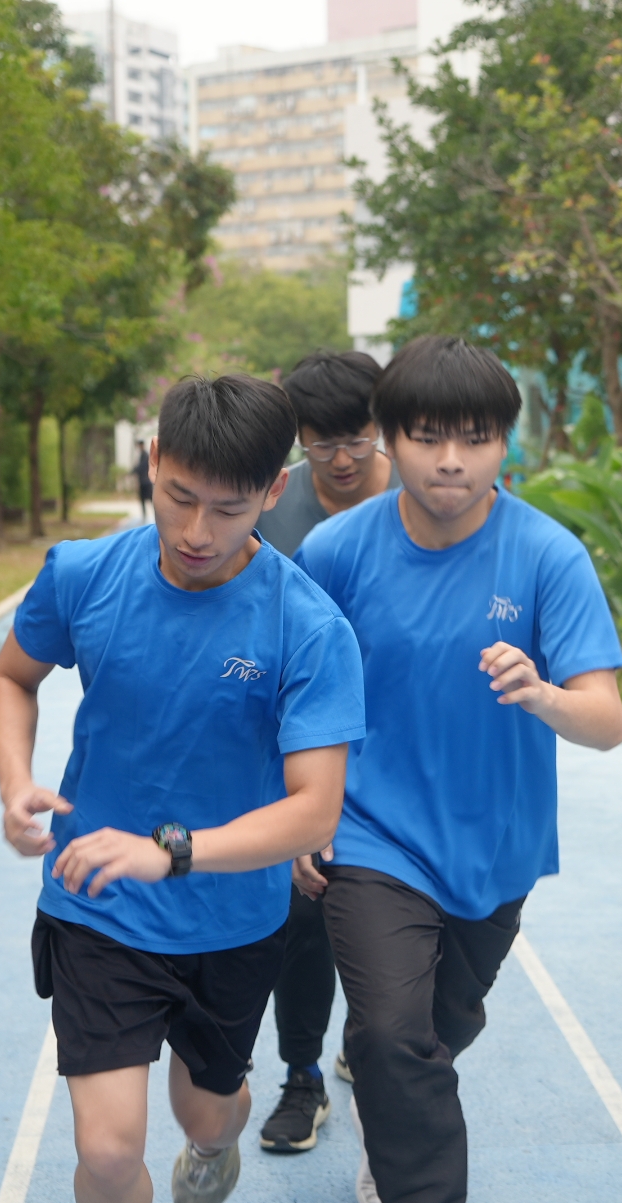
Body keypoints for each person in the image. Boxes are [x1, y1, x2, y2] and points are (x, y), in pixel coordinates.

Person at [0, 374, 366, 1203]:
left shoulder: (308, 626)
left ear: (273, 491)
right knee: (109, 1150)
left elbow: (316, 807)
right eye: (178, 496)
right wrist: (15, 781)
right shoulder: (82, 575)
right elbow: (12, 679)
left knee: (210, 1112)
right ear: (153, 462)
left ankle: (214, 1136)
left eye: (228, 510)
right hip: (96, 901)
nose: (197, 531)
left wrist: (174, 852)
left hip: (231, 918)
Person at [294, 335, 622, 1203]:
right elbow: (288, 694)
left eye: (475, 439)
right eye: (428, 437)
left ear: (504, 445)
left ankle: (386, 1117)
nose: (451, 461)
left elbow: (606, 721)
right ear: (390, 438)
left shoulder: (548, 555)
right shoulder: (335, 552)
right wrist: (298, 814)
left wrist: (544, 694)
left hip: (496, 845)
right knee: (392, 1030)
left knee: (440, 1030)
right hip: (372, 834)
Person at [252, 348, 401, 1155]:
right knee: (303, 905)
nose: (341, 459)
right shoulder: (276, 509)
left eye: (357, 438)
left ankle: (374, 1040)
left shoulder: (420, 499)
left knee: (401, 912)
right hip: (304, 732)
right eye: (321, 443)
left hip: (400, 739)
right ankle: (302, 1076)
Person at [134, 441, 154, 523]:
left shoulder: (145, 455)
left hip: (146, 481)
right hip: (142, 481)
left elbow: (141, 467)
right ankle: (144, 516)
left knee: (151, 499)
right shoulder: (141, 455)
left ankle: (156, 516)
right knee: (142, 500)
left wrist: (133, 470)